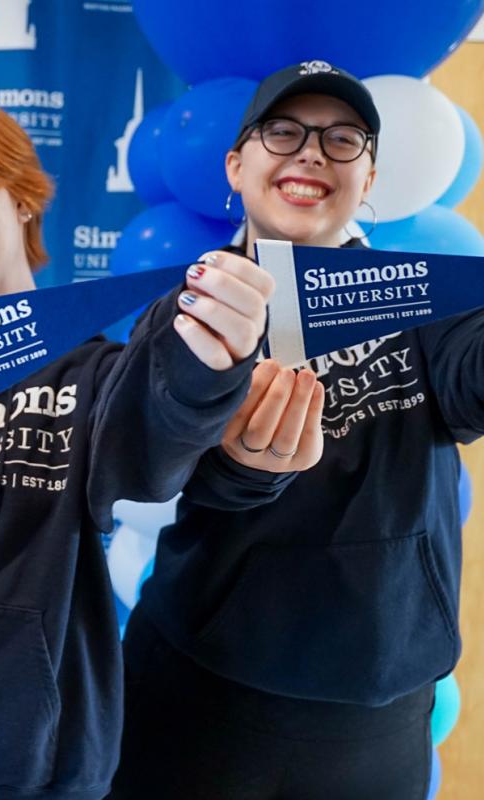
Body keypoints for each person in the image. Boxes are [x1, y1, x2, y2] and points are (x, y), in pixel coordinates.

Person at [0, 92, 294, 800]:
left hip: (38, 767)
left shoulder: (97, 372)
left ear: (22, 196)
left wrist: (209, 355)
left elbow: (153, 448)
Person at [108, 61, 477, 799]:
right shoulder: (184, 313)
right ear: (236, 167)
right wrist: (242, 468)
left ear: (368, 181)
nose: (312, 151)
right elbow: (144, 464)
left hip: (379, 712)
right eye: (284, 132)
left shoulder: (424, 298)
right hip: (202, 694)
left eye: (343, 140)